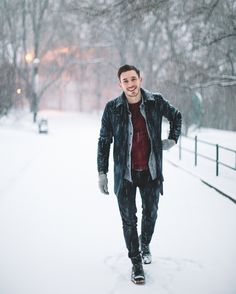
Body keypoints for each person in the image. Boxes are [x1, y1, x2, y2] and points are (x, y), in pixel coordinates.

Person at [97, 64, 182, 285]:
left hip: (151, 172)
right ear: (120, 84)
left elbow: (176, 116)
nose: (130, 84)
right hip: (125, 174)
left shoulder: (155, 102)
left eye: (133, 79)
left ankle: (145, 244)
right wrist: (102, 172)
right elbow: (104, 141)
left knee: (151, 214)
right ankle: (136, 263)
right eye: (125, 81)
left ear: (140, 79)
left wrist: (172, 139)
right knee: (128, 221)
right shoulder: (112, 108)